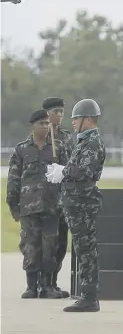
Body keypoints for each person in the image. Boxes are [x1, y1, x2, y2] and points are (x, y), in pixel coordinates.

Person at [47, 99, 106, 312]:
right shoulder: (84, 141)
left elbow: (85, 171)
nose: (72, 122)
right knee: (83, 249)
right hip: (77, 202)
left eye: (76, 118)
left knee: (86, 250)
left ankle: (90, 297)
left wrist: (64, 172)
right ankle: (88, 295)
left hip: (83, 203)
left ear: (88, 120)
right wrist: (63, 171)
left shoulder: (91, 142)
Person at [7, 110, 67, 299]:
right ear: (32, 125)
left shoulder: (58, 148)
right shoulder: (22, 149)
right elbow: (14, 178)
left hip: (52, 206)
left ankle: (47, 285)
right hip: (29, 207)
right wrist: (13, 205)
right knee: (30, 246)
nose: (45, 126)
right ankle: (31, 285)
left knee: (51, 246)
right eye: (41, 123)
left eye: (47, 123)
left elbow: (66, 175)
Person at [42, 96, 74, 298]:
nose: (59, 115)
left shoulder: (67, 137)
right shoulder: (42, 137)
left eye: (61, 112)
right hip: (46, 199)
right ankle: (43, 284)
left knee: (62, 243)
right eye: (56, 112)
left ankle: (53, 282)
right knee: (48, 244)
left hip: (64, 198)